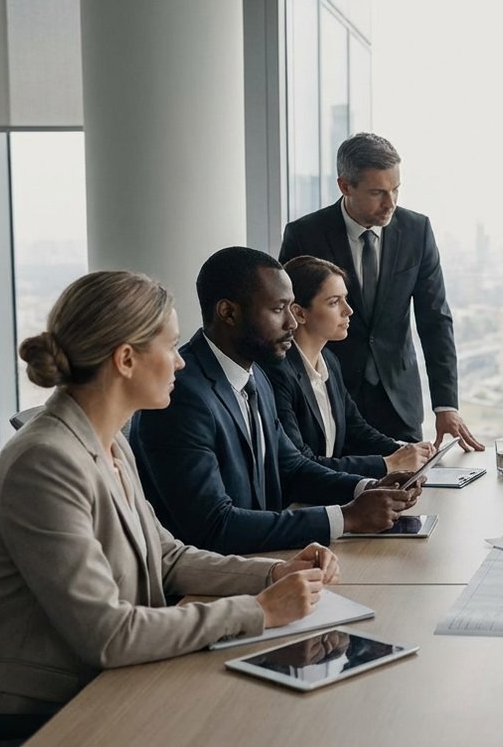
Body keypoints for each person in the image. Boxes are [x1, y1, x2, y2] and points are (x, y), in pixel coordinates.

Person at [0, 271, 339, 716]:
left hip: (109, 688)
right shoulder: (44, 464)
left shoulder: (111, 441)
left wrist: (272, 575)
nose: (182, 362)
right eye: (170, 346)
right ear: (126, 359)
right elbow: (107, 633)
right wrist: (258, 611)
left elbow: (166, 558)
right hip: (34, 717)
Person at [131, 247, 422, 555]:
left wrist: (368, 488)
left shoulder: (255, 374)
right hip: (208, 585)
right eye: (278, 309)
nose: (293, 324)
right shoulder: (182, 396)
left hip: (265, 561)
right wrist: (347, 517)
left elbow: (292, 468)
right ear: (228, 312)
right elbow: (214, 526)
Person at [280, 133, 483, 451]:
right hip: (330, 393)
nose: (390, 204)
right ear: (345, 186)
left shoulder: (417, 230)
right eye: (377, 193)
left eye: (396, 190)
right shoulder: (305, 234)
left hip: (399, 400)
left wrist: (446, 404)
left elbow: (435, 320)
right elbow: (289, 319)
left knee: (411, 485)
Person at [261, 255, 436, 478]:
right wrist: (387, 464)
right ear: (299, 313)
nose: (348, 310)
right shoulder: (277, 373)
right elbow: (301, 463)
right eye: (334, 302)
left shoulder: (329, 361)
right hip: (299, 504)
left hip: (331, 493)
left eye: (345, 299)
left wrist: (406, 450)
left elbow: (357, 430)